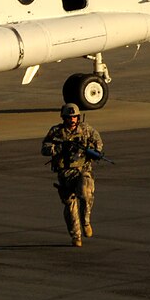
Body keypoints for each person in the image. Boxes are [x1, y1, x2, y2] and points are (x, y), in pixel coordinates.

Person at [41, 103, 104, 247]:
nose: (72, 120)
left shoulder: (86, 129)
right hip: (65, 173)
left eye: (75, 117)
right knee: (70, 205)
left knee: (85, 193)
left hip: (83, 169)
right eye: (69, 117)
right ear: (64, 118)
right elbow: (44, 149)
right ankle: (76, 236)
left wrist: (94, 151)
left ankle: (86, 222)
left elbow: (98, 142)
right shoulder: (56, 131)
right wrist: (59, 148)